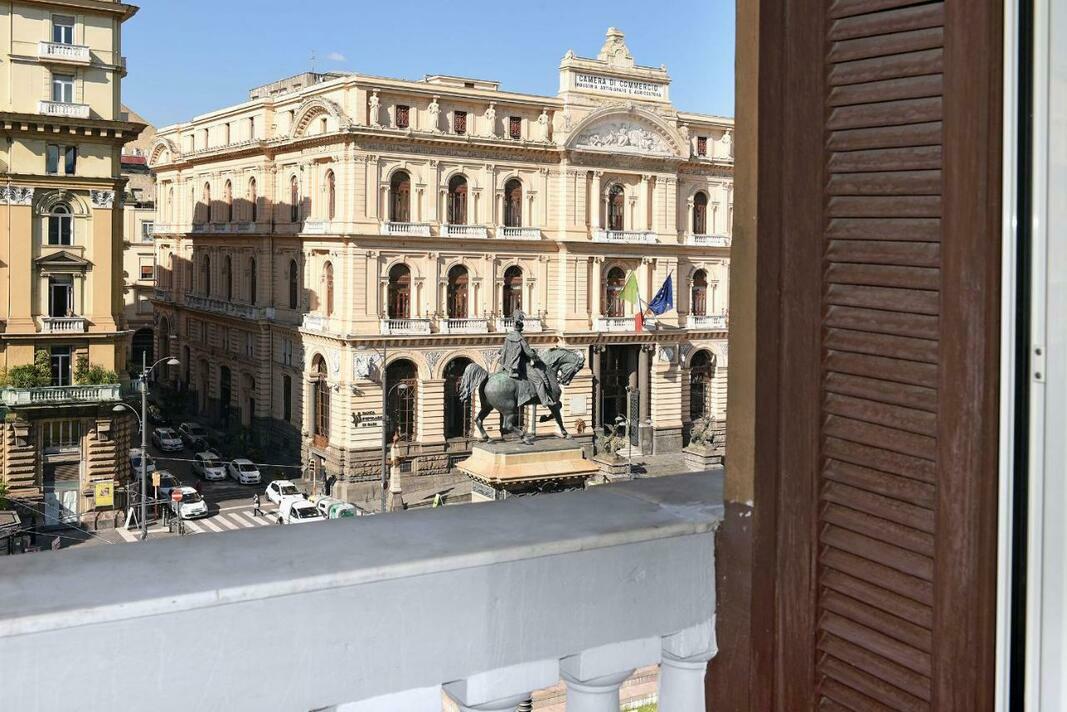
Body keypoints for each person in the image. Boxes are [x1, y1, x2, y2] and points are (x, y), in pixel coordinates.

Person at [498, 313, 555, 407]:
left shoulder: (509, 337)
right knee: (539, 381)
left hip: (508, 364)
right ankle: (544, 401)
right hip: (521, 364)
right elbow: (528, 352)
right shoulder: (520, 338)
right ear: (521, 328)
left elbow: (503, 350)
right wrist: (536, 357)